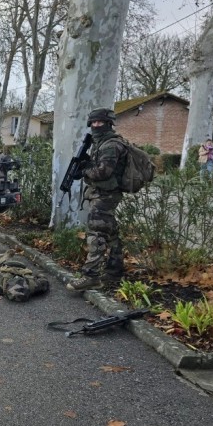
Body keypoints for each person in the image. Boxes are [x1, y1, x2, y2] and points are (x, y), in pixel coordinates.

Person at [67, 108, 127, 291]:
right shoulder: (100, 142)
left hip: (106, 195)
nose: (96, 125)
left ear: (109, 123)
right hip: (102, 193)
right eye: (93, 122)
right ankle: (115, 270)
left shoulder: (111, 145)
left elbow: (103, 172)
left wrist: (84, 171)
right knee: (111, 232)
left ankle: (91, 276)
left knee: (96, 233)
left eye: (100, 122)